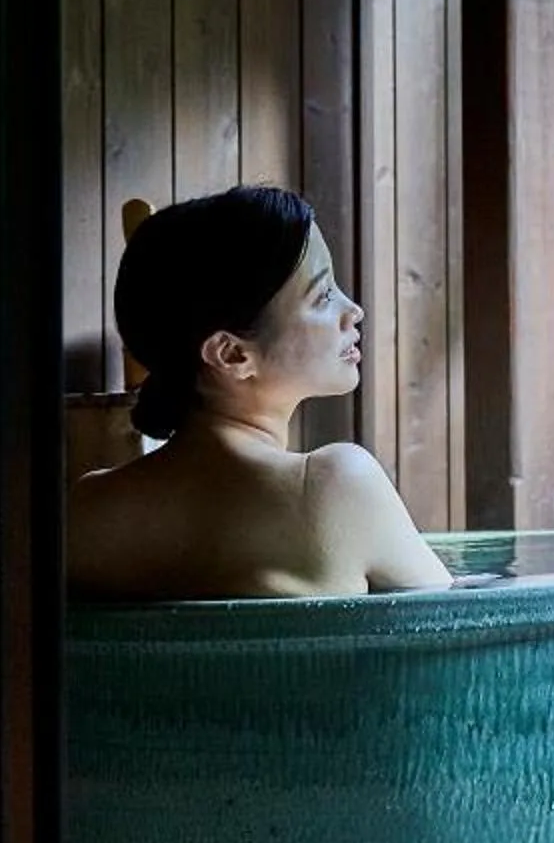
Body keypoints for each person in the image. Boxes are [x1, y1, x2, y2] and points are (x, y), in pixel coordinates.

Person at [68, 185, 452, 598]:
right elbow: (465, 635)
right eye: (323, 295)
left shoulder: (87, 510)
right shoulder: (337, 488)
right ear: (232, 353)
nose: (353, 311)